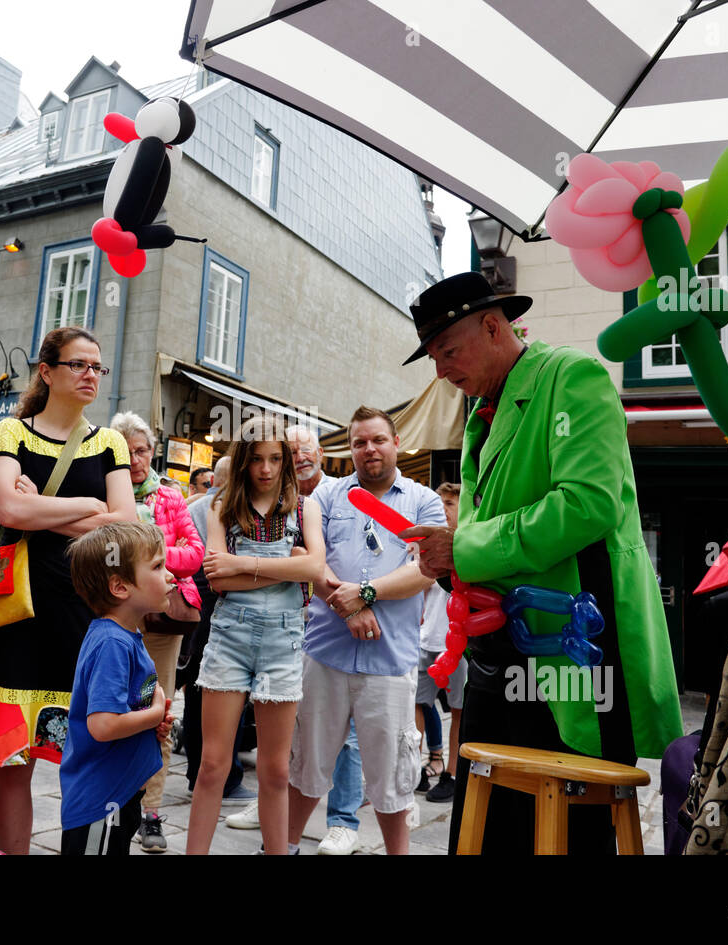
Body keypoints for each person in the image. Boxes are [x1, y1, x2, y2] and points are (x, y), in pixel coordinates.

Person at [398, 271, 682, 854]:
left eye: (448, 351)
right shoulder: (485, 410)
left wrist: (464, 549)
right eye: (432, 357)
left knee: (570, 828)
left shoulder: (572, 377)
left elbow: (588, 504)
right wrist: (453, 560)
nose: (441, 371)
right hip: (502, 652)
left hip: (575, 646)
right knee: (488, 823)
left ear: (494, 327)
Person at [0, 326, 135, 856]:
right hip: (16, 614)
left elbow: (124, 527)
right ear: (47, 371)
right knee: (13, 763)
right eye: (78, 364)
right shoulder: (11, 433)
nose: (90, 375)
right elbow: (9, 511)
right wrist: (90, 509)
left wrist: (49, 513)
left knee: (83, 755)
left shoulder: (110, 443)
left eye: (97, 367)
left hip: (82, 611)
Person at [287, 406, 444, 856]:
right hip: (325, 653)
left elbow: (427, 569)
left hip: (390, 660)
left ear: (396, 442)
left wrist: (366, 593)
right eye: (359, 442)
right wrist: (348, 608)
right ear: (349, 449)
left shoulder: (422, 501)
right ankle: (286, 847)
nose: (368, 449)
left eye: (377, 439)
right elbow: (306, 556)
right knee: (306, 767)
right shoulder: (327, 497)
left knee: (392, 777)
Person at [186, 417, 325, 855]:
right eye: (257, 459)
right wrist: (289, 567)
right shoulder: (220, 506)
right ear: (243, 460)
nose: (266, 468)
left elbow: (315, 569)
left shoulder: (306, 507)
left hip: (284, 644)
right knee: (212, 765)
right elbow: (216, 580)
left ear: (285, 460)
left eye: (276, 458)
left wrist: (243, 565)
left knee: (276, 771)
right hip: (230, 639)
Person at [226, 423, 363, 854]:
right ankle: (272, 807)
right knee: (298, 733)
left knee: (346, 733)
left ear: (319, 452)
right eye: (293, 450)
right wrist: (291, 561)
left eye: (305, 450)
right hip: (301, 629)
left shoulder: (331, 496)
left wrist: (351, 605)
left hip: (339, 621)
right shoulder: (272, 499)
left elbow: (315, 566)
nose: (299, 457)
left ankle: (342, 820)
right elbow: (294, 563)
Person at [110, 411, 204, 853]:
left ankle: (149, 813)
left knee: (158, 714)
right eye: (125, 451)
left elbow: (196, 551)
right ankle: (112, 806)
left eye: (142, 450)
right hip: (112, 618)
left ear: (153, 452)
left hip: (162, 621)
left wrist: (152, 557)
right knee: (109, 712)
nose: (134, 459)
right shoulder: (102, 496)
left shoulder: (169, 496)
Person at [59, 522, 175, 855]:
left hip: (117, 796)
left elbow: (122, 714)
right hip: (101, 804)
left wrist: (151, 725)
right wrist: (153, 716)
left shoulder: (121, 637)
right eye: (157, 566)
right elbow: (104, 724)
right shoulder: (112, 643)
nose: (169, 575)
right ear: (120, 586)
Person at [183, 455, 256, 806]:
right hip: (216, 606)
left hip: (201, 607)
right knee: (224, 695)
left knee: (200, 692)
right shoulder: (221, 508)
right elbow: (217, 569)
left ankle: (199, 772)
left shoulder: (196, 506)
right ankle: (224, 780)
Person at [415, 483, 465, 804]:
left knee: (459, 711)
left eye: (448, 503)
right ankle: (414, 768)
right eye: (439, 502)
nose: (443, 509)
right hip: (426, 638)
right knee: (418, 703)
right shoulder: (430, 544)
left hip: (458, 640)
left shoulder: (465, 544)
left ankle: (453, 774)